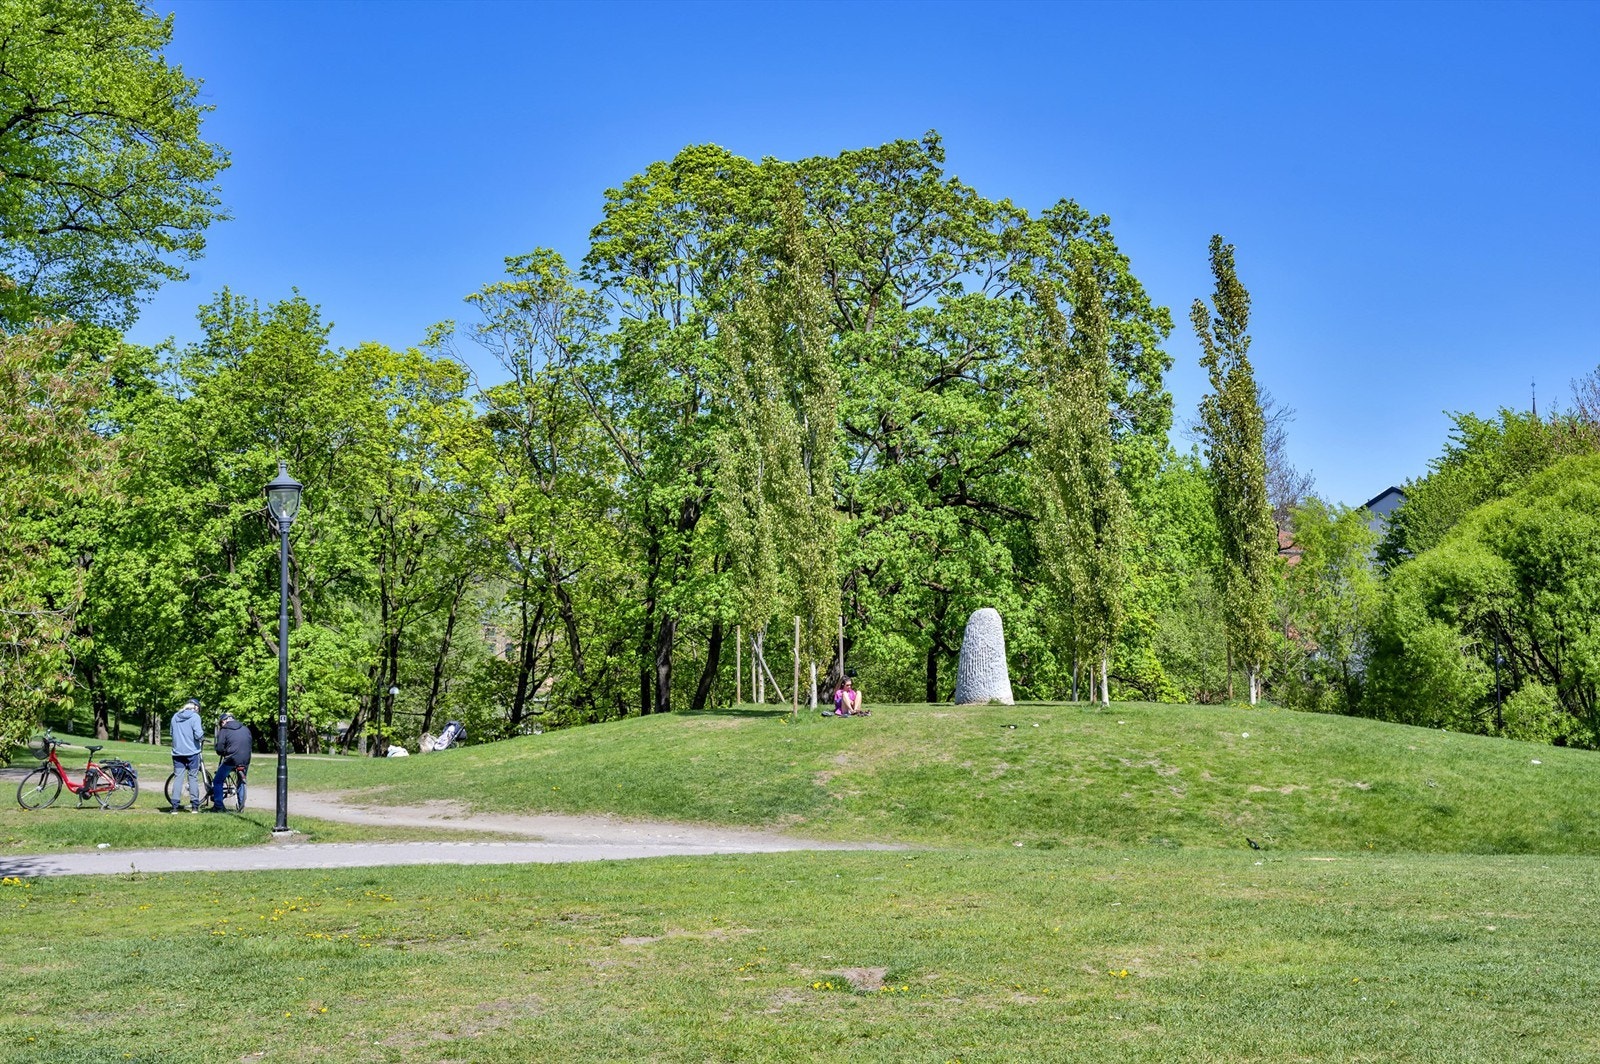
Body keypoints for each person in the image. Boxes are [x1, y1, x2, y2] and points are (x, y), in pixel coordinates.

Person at [210, 711, 252, 812]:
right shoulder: (245, 728)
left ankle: (218, 806)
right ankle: (241, 807)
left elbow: (219, 748)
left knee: (218, 781)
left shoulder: (225, 730)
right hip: (245, 758)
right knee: (241, 781)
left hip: (231, 758)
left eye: (221, 723)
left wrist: (223, 752)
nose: (221, 725)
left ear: (224, 721)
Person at [169, 697, 205, 813]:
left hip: (177, 753)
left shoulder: (175, 716)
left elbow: (171, 733)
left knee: (178, 778)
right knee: (193, 778)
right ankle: (195, 806)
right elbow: (199, 734)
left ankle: (174, 806)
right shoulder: (195, 717)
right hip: (192, 752)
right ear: (196, 707)